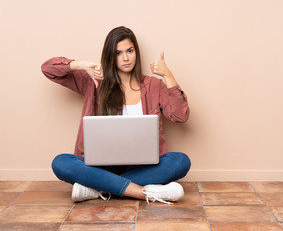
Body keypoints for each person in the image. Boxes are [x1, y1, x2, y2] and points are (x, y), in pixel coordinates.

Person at [41, 26, 191, 204]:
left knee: (181, 161)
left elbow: (180, 116)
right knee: (60, 162)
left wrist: (168, 75)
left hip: (142, 166)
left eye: (130, 51)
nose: (126, 58)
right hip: (102, 165)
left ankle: (99, 188)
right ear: (110, 56)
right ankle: (144, 192)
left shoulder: (153, 85)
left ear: (136, 52)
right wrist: (83, 65)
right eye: (118, 53)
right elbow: (48, 68)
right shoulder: (94, 81)